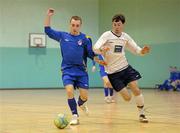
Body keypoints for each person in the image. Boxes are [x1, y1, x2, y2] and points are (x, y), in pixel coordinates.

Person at [44, 8, 106, 125]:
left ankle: (81, 103)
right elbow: (48, 31)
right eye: (73, 25)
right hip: (67, 70)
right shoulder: (62, 36)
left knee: (84, 96)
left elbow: (90, 54)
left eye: (77, 25)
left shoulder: (85, 39)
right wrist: (48, 16)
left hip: (81, 72)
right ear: (70, 24)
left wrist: (98, 57)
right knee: (69, 91)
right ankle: (75, 115)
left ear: (80, 26)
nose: (75, 27)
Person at [93, 14, 150, 123]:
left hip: (125, 68)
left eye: (119, 24)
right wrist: (102, 48)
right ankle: (122, 88)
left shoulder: (125, 37)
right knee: (127, 98)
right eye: (114, 24)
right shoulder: (107, 35)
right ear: (112, 24)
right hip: (113, 74)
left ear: (123, 24)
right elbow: (95, 48)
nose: (116, 27)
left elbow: (136, 50)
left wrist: (143, 51)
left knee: (136, 89)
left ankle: (142, 114)